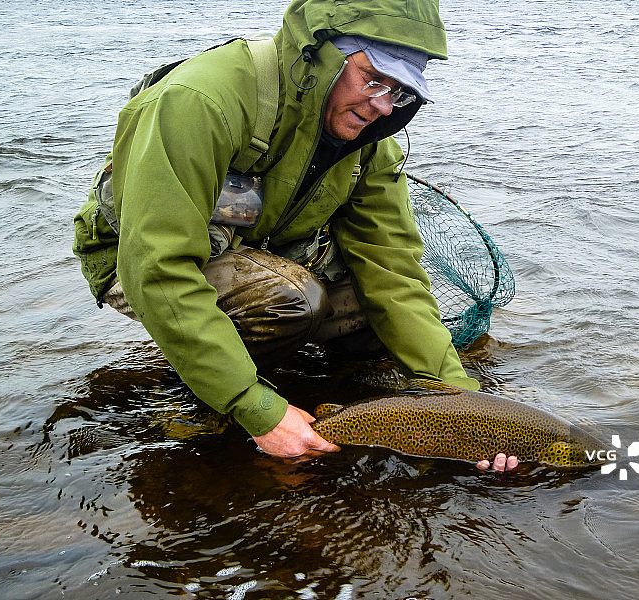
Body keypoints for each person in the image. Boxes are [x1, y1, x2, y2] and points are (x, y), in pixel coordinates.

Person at [72, 0, 518, 473]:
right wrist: (257, 408)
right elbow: (157, 267)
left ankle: (262, 369)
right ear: (322, 57)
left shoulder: (372, 145)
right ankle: (194, 398)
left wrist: (461, 403)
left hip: (259, 249)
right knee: (292, 300)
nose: (384, 105)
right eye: (373, 80)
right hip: (132, 257)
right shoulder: (200, 99)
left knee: (375, 316)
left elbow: (393, 272)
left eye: (399, 91)